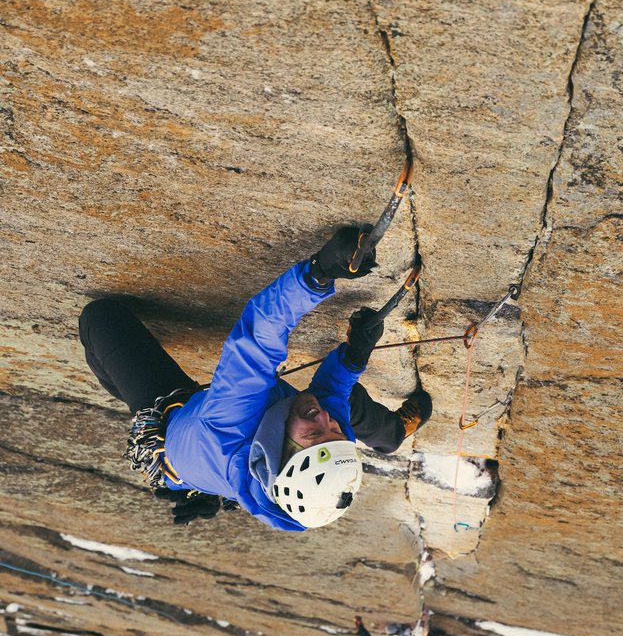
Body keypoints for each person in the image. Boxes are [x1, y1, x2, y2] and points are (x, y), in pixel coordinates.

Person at [78, 225, 432, 530]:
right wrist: (355, 355)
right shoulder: (315, 448)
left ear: (277, 452)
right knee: (343, 402)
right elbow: (334, 394)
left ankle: (169, 442)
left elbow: (258, 337)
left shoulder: (231, 419)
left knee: (100, 319)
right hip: (214, 454)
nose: (325, 419)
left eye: (313, 433)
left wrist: (317, 272)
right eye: (335, 434)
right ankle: (392, 434)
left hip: (173, 429)